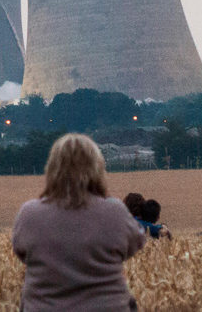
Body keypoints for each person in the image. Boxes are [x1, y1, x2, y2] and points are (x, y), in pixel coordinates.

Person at [12, 133, 146, 312]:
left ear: (52, 169)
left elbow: (21, 252)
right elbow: (136, 243)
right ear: (97, 169)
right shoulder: (115, 211)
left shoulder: (29, 214)